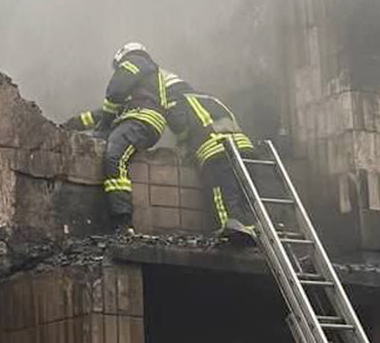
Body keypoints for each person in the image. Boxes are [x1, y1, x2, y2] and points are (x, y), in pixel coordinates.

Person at [64, 43, 170, 226]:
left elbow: (115, 92)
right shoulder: (140, 85)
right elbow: (104, 112)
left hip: (140, 118)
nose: (119, 70)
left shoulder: (136, 60)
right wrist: (73, 124)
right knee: (103, 142)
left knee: (115, 157)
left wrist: (105, 120)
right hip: (139, 118)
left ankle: (122, 219)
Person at [163, 76, 256, 235]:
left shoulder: (177, 100)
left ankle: (232, 232)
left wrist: (182, 147)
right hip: (244, 148)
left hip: (217, 151)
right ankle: (253, 230)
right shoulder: (211, 99)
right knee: (246, 194)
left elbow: (180, 127)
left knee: (223, 194)